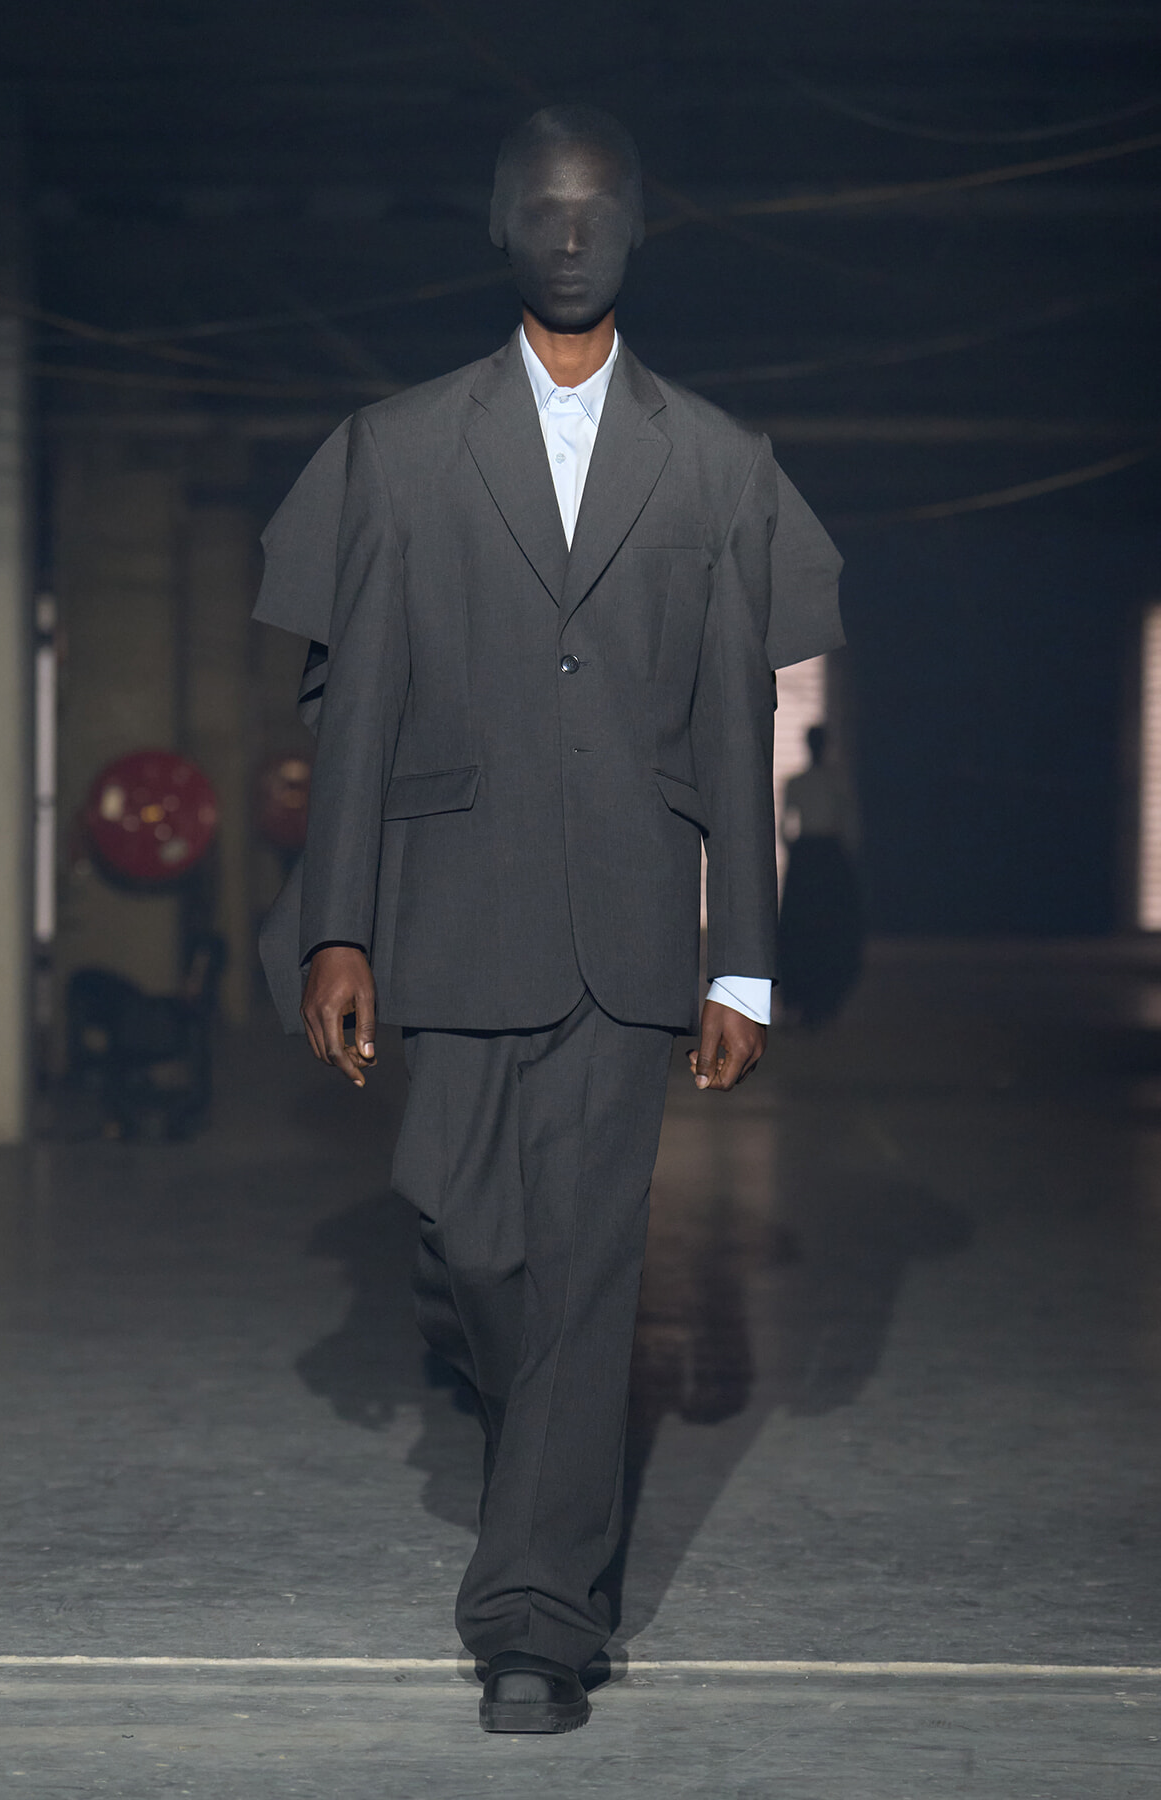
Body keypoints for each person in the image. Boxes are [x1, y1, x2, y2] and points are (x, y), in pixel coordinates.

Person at [252, 104, 843, 1733]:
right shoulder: (400, 446)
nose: (573, 234)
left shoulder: (718, 466)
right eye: (545, 208)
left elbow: (739, 726)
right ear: (505, 224)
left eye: (600, 211)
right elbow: (355, 707)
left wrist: (745, 956)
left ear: (636, 228)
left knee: (583, 1269)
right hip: (451, 911)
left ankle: (537, 1622)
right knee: (465, 1231)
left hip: (630, 933)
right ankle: (528, 1431)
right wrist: (337, 926)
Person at [778, 724, 864, 1027]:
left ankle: (812, 998)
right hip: (822, 855)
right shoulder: (823, 782)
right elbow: (849, 827)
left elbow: (785, 829)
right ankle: (814, 998)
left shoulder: (812, 782)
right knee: (818, 927)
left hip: (814, 856)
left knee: (811, 927)